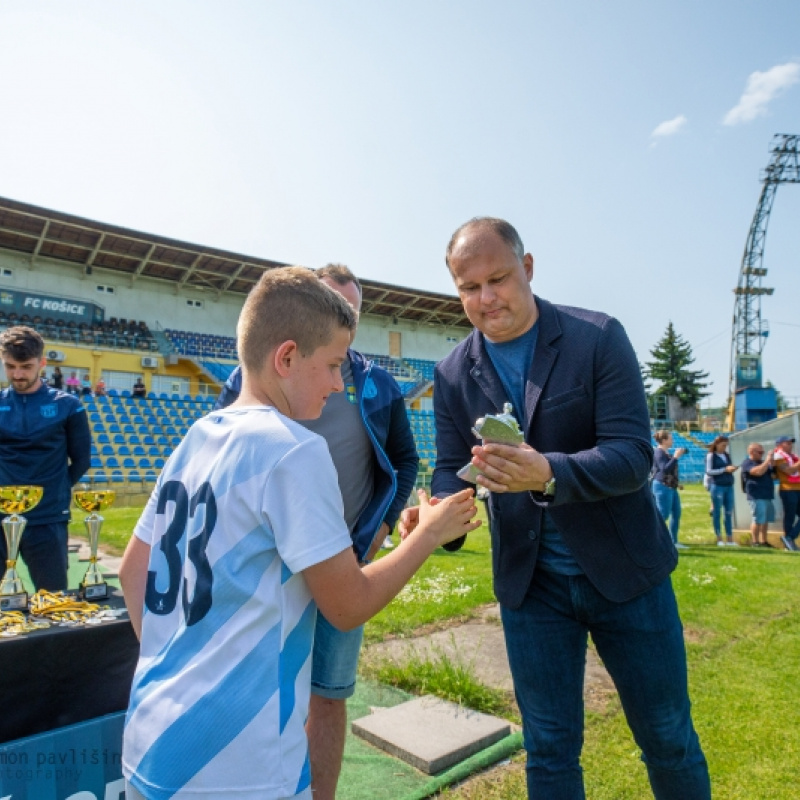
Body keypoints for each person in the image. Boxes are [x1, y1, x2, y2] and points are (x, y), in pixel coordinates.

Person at [118, 267, 478, 800]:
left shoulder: (196, 436)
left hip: (149, 737)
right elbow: (348, 605)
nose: (339, 384)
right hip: (240, 766)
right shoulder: (292, 448)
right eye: (332, 365)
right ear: (286, 358)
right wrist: (425, 535)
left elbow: (132, 574)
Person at [401, 217, 710, 799]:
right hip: (532, 587)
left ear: (529, 268)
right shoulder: (450, 374)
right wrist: (437, 514)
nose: (486, 299)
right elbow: (449, 468)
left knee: (668, 736)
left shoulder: (597, 337)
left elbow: (631, 455)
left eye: (498, 279)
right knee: (547, 749)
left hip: (626, 575)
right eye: (469, 288)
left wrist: (548, 473)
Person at [215, 263, 419, 799]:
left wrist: (375, 536)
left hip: (339, 560)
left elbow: (403, 462)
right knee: (256, 690)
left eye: (350, 312)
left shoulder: (377, 386)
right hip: (263, 568)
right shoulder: (249, 382)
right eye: (330, 304)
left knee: (328, 695)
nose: (339, 318)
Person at [0, 326, 92, 590]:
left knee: (52, 598)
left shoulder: (68, 406)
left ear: (42, 363)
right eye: (10, 366)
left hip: (47, 518)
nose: (18, 374)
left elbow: (82, 459)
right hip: (0, 516)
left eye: (26, 367)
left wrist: (54, 490)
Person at [651, 430, 688, 549]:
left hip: (671, 487)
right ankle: (654, 540)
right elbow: (665, 469)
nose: (672, 441)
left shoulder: (666, 453)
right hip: (662, 486)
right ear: (664, 440)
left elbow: (671, 471)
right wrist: (676, 457)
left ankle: (673, 541)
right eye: (670, 439)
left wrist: (677, 483)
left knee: (676, 513)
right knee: (663, 514)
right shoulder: (659, 452)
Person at [740, 442, 775, 547]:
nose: (762, 454)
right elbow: (758, 472)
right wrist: (767, 461)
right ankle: (755, 542)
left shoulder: (763, 463)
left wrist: (772, 463)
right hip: (756, 495)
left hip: (767, 494)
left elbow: (773, 475)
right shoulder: (747, 463)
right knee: (757, 519)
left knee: (765, 519)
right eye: (760, 452)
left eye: (763, 452)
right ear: (751, 452)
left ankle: (764, 541)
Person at [706, 435, 739, 547]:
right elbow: (709, 471)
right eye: (723, 445)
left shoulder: (726, 455)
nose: (725, 447)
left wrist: (732, 469)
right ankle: (719, 537)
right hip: (717, 485)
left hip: (728, 485)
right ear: (717, 444)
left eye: (726, 445)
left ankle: (730, 538)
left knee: (728, 512)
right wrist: (724, 470)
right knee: (717, 512)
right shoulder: (711, 456)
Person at [771, 435, 800, 551]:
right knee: (790, 516)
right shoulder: (778, 457)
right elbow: (789, 470)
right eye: (787, 443)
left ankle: (789, 537)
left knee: (791, 515)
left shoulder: (793, 457)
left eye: (790, 443)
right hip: (788, 489)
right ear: (779, 445)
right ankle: (789, 541)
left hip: (797, 488)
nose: (790, 445)